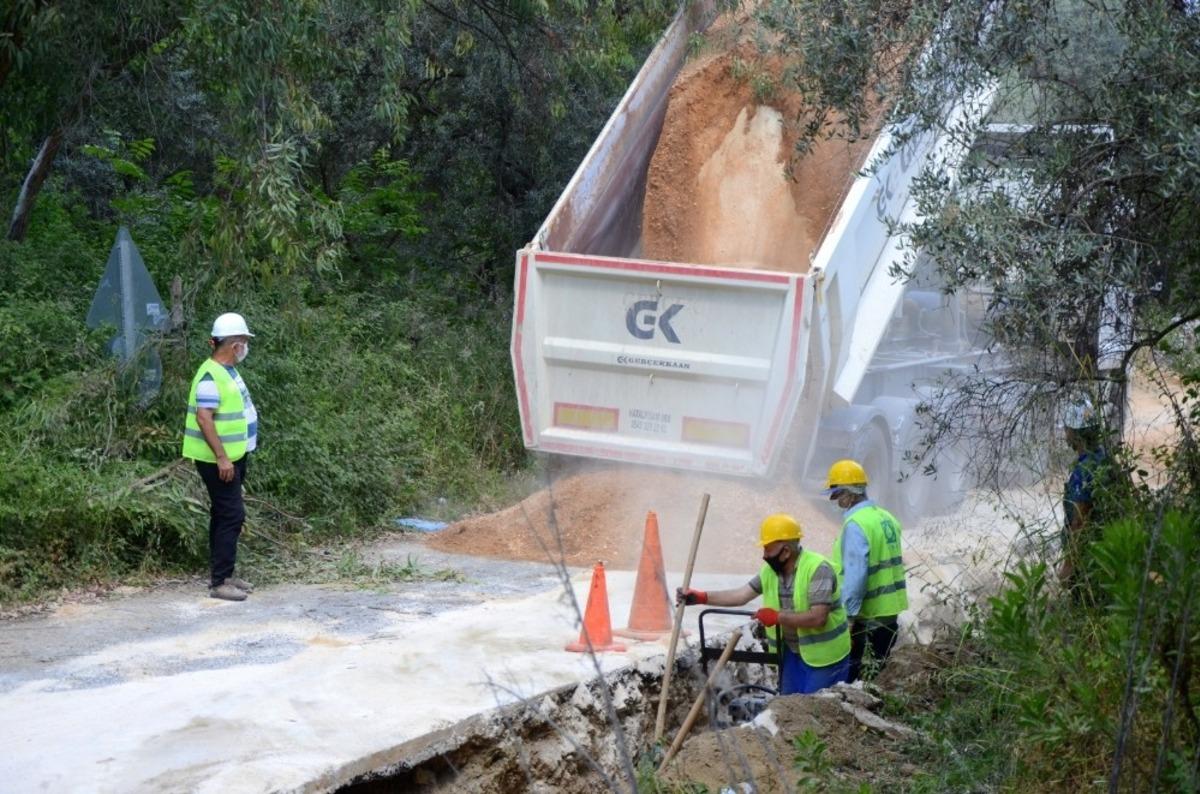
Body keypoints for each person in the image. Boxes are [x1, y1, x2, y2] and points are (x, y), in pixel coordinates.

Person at [677, 514, 850, 695]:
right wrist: (702, 597)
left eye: (768, 549)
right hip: (792, 653)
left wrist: (777, 617)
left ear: (786, 552)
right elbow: (740, 595)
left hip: (825, 656)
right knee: (788, 709)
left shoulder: (817, 569)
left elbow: (818, 617)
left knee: (816, 712)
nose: (764, 556)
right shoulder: (770, 572)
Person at [182, 312, 259, 602]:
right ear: (234, 344)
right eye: (244, 341)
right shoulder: (209, 376)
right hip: (219, 459)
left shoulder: (227, 371)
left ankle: (224, 575)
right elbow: (205, 419)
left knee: (223, 513)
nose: (246, 347)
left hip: (235, 454)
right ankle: (219, 582)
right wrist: (222, 458)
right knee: (232, 514)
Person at [824, 459, 907, 683]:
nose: (836, 501)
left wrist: (848, 618)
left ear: (850, 494)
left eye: (837, 494)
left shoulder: (856, 524)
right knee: (876, 677)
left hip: (867, 618)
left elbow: (856, 576)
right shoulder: (886, 517)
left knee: (853, 681)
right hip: (889, 615)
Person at [1058, 397, 1116, 601]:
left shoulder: (1083, 471)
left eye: (1067, 429)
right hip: (1108, 551)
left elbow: (1079, 522)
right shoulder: (1103, 457)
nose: (1065, 434)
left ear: (1075, 433)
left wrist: (1068, 565)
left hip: (1089, 560)